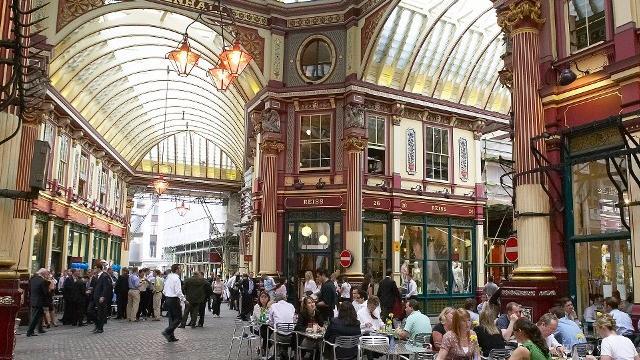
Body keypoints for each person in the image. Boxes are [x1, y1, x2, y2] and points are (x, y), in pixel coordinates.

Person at [162, 264, 186, 342]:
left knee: (171, 318)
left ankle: (171, 336)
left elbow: (164, 290)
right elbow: (178, 291)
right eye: (180, 269)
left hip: (168, 298)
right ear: (176, 270)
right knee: (179, 318)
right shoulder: (176, 279)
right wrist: (184, 300)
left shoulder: (168, 278)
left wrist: (167, 296)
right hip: (174, 299)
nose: (181, 270)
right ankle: (167, 331)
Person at [26, 268, 48, 337]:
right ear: (43, 273)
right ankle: (29, 331)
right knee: (35, 317)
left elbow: (29, 289)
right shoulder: (42, 281)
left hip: (33, 299)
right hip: (39, 301)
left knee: (40, 314)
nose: (47, 274)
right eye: (46, 273)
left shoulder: (32, 279)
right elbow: (45, 292)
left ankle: (40, 328)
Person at [92, 263, 113, 334]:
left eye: (95, 268)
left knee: (101, 313)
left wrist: (103, 296)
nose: (94, 270)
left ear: (99, 268)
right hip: (95, 297)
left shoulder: (104, 276)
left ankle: (100, 328)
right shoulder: (97, 276)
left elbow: (106, 287)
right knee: (90, 311)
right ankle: (97, 324)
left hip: (100, 298)